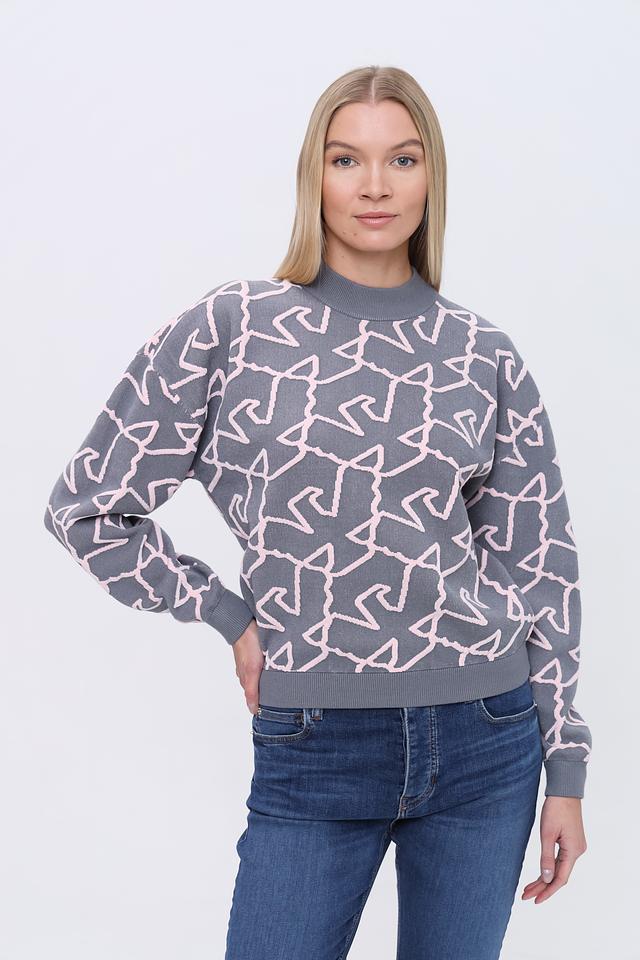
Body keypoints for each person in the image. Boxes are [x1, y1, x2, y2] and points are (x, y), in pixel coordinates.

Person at [43, 64, 591, 959]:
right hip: (315, 743)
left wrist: (565, 766)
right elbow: (87, 507)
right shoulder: (235, 327)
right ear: (314, 176)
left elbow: (541, 571)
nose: (375, 185)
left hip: (487, 739)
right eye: (346, 159)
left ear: (431, 176)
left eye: (402, 159)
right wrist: (228, 615)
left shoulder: (481, 353)